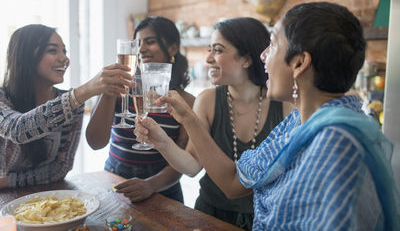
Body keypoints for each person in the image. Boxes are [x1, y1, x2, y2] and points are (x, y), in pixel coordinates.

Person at [135, 2, 400, 230]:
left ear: (299, 63)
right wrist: (182, 124)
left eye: (272, 44)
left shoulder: (335, 145)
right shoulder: (297, 124)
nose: (263, 56)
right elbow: (233, 181)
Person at [136, 17, 292, 230]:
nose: (208, 59)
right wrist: (159, 140)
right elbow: (191, 166)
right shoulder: (208, 100)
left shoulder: (284, 107)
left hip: (264, 219)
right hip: (209, 214)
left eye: (217, 50)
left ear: (246, 59)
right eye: (209, 49)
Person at [0, 24, 131, 189]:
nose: (64, 59)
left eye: (64, 51)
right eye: (53, 50)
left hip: (49, 199)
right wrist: (84, 90)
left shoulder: (73, 104)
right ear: (25, 56)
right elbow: (18, 129)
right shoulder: (3, 98)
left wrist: (6, 182)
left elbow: (60, 169)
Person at [86, 16, 195, 203]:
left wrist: (150, 185)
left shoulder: (186, 102)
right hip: (114, 183)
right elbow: (95, 143)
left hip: (163, 190)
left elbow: (185, 160)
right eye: (138, 43)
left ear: (173, 48)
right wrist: (109, 91)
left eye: (150, 42)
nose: (142, 48)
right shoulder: (118, 92)